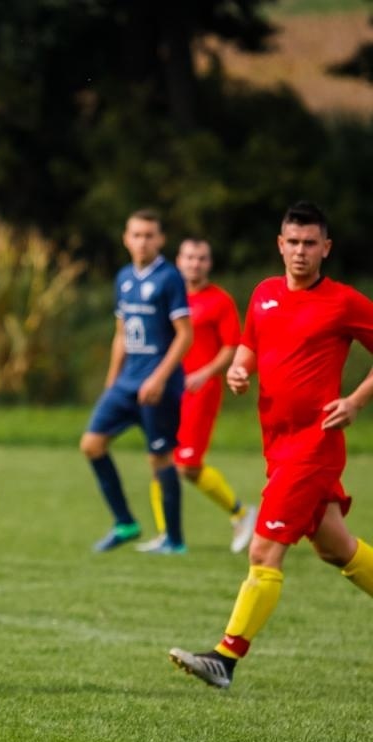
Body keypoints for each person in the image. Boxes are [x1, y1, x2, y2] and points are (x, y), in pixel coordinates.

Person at [171, 202, 373, 689]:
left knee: (263, 551)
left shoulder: (344, 302)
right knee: (334, 547)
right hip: (277, 446)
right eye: (293, 242)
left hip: (314, 445)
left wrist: (357, 401)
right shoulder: (263, 294)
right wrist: (240, 369)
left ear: (326, 248)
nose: (300, 252)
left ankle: (226, 657)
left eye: (310, 244)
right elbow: (250, 343)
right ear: (279, 245)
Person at [81, 209, 193, 554]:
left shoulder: (169, 278)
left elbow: (185, 335)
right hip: (127, 384)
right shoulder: (124, 278)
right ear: (125, 239)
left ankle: (174, 540)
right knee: (91, 444)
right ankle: (125, 523)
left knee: (159, 459)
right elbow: (121, 334)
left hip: (159, 387)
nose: (142, 241)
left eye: (149, 235)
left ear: (160, 240)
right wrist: (112, 381)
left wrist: (159, 378)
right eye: (136, 235)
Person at [137, 237, 257, 554]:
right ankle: (166, 534)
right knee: (159, 458)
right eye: (189, 257)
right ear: (178, 260)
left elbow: (232, 346)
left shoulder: (219, 301)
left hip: (200, 391)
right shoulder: (167, 294)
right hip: (167, 389)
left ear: (209, 263)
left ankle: (242, 514)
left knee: (188, 465)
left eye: (201, 258)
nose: (195, 263)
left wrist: (205, 372)